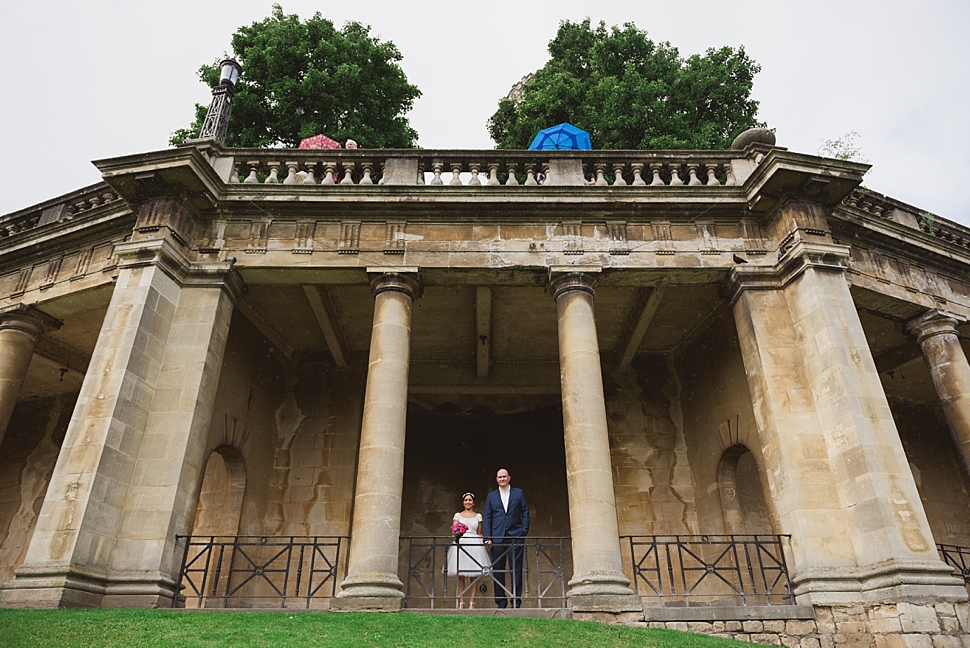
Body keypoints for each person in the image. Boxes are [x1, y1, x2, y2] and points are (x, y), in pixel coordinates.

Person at [483, 467, 530, 608]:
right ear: (496, 479)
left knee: (516, 569)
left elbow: (525, 512)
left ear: (509, 478)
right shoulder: (491, 496)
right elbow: (488, 517)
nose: (502, 479)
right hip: (497, 538)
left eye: (504, 476)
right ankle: (501, 602)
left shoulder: (518, 493)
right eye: (499, 477)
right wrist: (487, 537)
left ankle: (516, 601)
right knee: (498, 570)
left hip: (515, 536)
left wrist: (523, 531)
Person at [445, 492, 489, 609]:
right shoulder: (458, 516)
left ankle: (472, 601)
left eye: (470, 500)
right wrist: (458, 531)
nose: (468, 502)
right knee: (461, 574)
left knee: (474, 575)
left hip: (474, 543)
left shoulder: (478, 516)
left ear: (473, 502)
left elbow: (479, 533)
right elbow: (455, 531)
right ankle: (461, 601)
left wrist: (484, 544)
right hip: (462, 543)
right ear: (463, 502)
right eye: (466, 500)